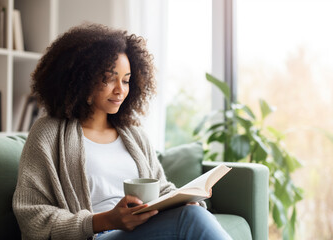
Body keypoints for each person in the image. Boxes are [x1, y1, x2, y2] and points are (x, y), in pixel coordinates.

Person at [12, 23, 232, 240]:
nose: (120, 90)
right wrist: (106, 220)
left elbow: (161, 189)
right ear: (81, 80)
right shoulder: (48, 133)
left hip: (143, 231)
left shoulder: (133, 135)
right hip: (96, 235)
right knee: (191, 219)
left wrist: (187, 199)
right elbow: (32, 216)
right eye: (109, 79)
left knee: (193, 212)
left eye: (126, 81)